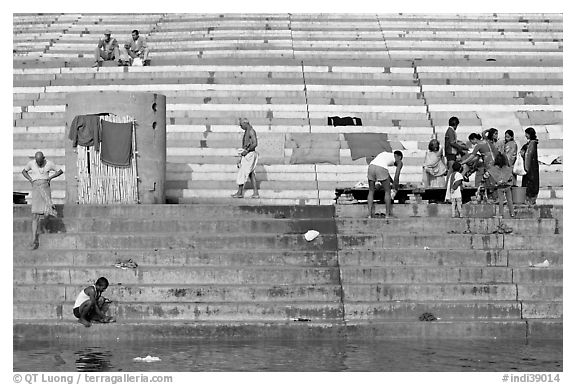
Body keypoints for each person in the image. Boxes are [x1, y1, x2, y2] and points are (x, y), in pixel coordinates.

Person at [22, 152, 63, 250]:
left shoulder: (49, 163)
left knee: (47, 212)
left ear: (43, 159)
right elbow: (24, 171)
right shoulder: (31, 163)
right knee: (35, 215)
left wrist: (50, 178)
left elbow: (60, 171)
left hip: (45, 187)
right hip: (36, 188)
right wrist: (31, 180)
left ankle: (45, 229)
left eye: (40, 162)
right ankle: (33, 239)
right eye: (37, 162)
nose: (39, 164)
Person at [366, 150, 403, 218]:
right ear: (399, 157)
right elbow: (396, 175)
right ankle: (387, 215)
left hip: (371, 167)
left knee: (371, 191)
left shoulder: (385, 154)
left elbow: (386, 174)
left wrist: (391, 182)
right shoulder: (399, 161)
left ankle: (369, 215)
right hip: (381, 168)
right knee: (387, 191)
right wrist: (395, 186)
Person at [232, 118, 259, 198]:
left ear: (245, 123)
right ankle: (256, 193)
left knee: (242, 172)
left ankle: (240, 193)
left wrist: (246, 151)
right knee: (251, 174)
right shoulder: (248, 131)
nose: (241, 127)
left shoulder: (251, 131)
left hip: (249, 155)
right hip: (248, 154)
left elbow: (255, 143)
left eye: (241, 125)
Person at [485, 153, 516, 217]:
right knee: (510, 200)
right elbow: (510, 176)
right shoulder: (508, 168)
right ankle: (512, 213)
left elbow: (487, 175)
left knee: (501, 201)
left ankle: (501, 214)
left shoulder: (493, 169)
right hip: (508, 186)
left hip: (500, 187)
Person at [520, 127, 539, 205]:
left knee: (531, 182)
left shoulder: (532, 143)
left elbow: (528, 155)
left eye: (526, 133)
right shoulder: (530, 143)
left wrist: (523, 154)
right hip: (531, 166)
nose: (525, 135)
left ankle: (530, 199)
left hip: (531, 167)